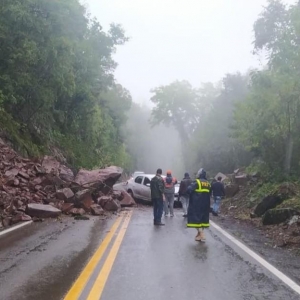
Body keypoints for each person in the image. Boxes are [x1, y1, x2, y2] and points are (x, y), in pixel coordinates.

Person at [187, 168, 211, 242]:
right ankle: (199, 235)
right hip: (206, 204)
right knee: (203, 220)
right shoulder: (208, 183)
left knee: (196, 219)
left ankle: (201, 233)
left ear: (199, 174)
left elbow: (189, 189)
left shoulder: (197, 182)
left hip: (197, 204)